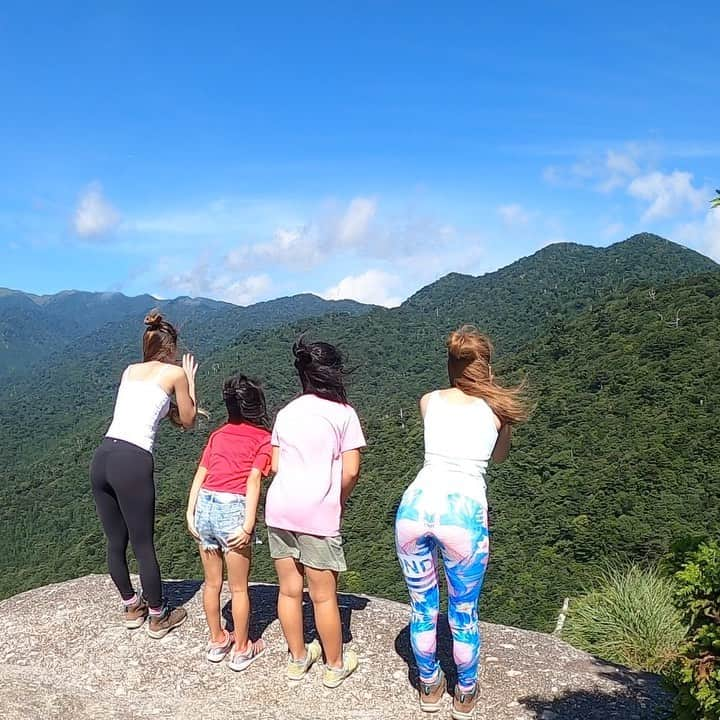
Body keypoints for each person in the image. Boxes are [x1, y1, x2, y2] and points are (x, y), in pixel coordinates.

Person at [395, 325, 528, 719]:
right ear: (485, 366)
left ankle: (430, 686)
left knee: (423, 608)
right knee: (463, 611)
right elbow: (499, 457)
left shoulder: (428, 401)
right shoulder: (499, 410)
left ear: (450, 364)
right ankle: (465, 693)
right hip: (463, 517)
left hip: (414, 509)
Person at [265, 336, 365, 687]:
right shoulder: (344, 414)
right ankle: (335, 665)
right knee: (323, 596)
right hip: (317, 513)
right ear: (333, 373)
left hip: (279, 508)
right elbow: (351, 470)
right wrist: (337, 500)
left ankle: (298, 659)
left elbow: (275, 464)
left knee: (289, 590)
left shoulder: (286, 413)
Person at [90, 311, 198, 638]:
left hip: (103, 456)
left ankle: (130, 605)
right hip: (133, 460)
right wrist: (190, 380)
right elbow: (189, 419)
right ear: (171, 349)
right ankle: (157, 615)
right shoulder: (174, 374)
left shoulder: (130, 370)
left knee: (115, 541)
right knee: (143, 544)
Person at [186, 374, 271, 671]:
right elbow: (253, 479)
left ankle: (217, 641)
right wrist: (248, 525)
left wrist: (189, 513)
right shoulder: (263, 439)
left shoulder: (218, 435)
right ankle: (242, 649)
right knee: (238, 589)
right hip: (233, 508)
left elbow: (202, 472)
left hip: (204, 507)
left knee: (212, 583)